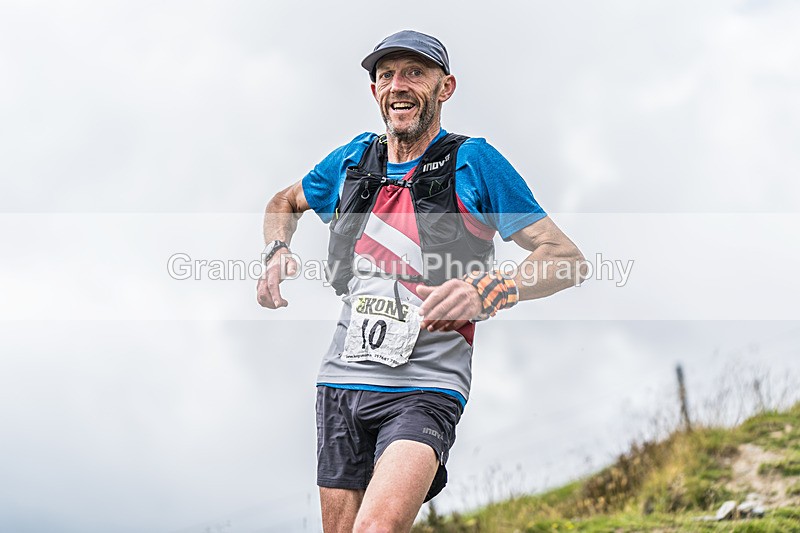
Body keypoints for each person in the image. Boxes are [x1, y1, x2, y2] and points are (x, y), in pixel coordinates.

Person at [257, 30, 585, 533]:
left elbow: (565, 258)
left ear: (445, 87)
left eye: (415, 72)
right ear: (374, 92)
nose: (398, 85)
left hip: (426, 387)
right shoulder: (351, 162)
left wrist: (487, 289)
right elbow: (282, 202)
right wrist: (276, 251)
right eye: (386, 75)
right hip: (341, 382)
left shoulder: (474, 162)